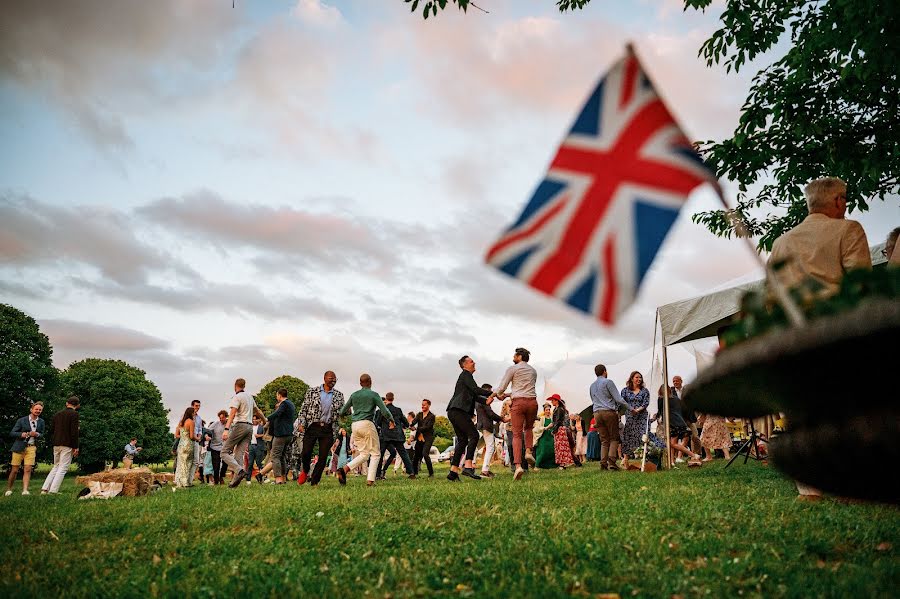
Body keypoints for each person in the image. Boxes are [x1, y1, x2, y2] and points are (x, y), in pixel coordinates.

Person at [769, 176, 872, 296]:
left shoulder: (779, 243)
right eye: (845, 199)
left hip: (794, 314)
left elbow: (772, 292)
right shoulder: (848, 229)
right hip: (837, 311)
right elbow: (861, 281)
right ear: (838, 201)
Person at [337, 373, 395, 487]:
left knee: (364, 454)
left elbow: (342, 411)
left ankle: (344, 469)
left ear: (360, 383)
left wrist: (343, 418)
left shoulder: (354, 395)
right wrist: (391, 420)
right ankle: (370, 481)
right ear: (370, 382)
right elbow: (384, 410)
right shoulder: (373, 395)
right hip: (367, 424)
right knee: (376, 453)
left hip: (355, 425)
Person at [446, 355, 496, 482]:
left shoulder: (466, 377)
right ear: (464, 365)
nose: (474, 363)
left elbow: (475, 396)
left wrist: (487, 401)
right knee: (473, 435)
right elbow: (476, 390)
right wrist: (493, 393)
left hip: (454, 411)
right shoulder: (466, 375)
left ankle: (453, 472)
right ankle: (468, 466)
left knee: (462, 440)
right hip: (458, 411)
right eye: (471, 361)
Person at [494, 347, 537, 482]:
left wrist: (498, 394)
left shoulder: (513, 369)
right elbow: (523, 388)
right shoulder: (533, 371)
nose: (513, 357)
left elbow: (502, 387)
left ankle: (518, 466)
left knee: (517, 434)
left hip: (518, 403)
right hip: (532, 402)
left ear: (519, 356)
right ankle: (529, 452)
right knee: (529, 428)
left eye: (514, 355)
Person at [298, 371, 345, 487]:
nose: (333, 380)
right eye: (331, 378)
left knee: (323, 456)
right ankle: (305, 470)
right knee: (306, 452)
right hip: (313, 426)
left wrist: (347, 411)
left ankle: (315, 481)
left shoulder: (339, 395)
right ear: (324, 378)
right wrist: (301, 423)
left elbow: (343, 411)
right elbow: (304, 408)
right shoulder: (312, 391)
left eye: (335, 379)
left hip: (328, 428)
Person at [221, 378, 265, 488]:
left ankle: (239, 470)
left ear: (235, 386)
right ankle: (234, 482)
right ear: (244, 386)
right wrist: (265, 420)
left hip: (240, 425)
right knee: (239, 455)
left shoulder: (237, 397)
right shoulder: (249, 397)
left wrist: (226, 429)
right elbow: (258, 411)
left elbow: (232, 414)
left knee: (224, 452)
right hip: (249, 427)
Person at [589, 364, 630, 471]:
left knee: (604, 440)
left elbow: (593, 401)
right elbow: (618, 398)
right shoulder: (608, 382)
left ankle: (603, 463)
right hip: (609, 412)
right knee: (614, 438)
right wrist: (630, 408)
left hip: (597, 413)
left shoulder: (592, 386)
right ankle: (612, 462)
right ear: (604, 371)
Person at [653, 384, 702, 466]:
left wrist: (657, 418)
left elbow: (661, 411)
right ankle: (672, 462)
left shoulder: (661, 399)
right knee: (673, 443)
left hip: (672, 423)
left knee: (672, 444)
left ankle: (693, 455)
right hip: (680, 421)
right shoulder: (676, 398)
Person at [40, 395, 80, 495]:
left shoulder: (57, 414)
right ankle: (53, 490)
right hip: (67, 444)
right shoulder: (74, 414)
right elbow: (74, 432)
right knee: (63, 468)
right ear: (78, 405)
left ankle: (45, 489)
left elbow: (52, 430)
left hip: (56, 443)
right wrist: (76, 447)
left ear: (67, 403)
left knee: (56, 466)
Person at [258, 387, 296, 485]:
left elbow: (278, 413)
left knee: (275, 457)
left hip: (281, 434)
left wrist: (267, 418)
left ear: (279, 395)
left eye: (277, 395)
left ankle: (278, 479)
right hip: (288, 434)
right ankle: (283, 478)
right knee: (282, 456)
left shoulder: (284, 404)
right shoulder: (291, 404)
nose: (276, 397)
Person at [5, 402, 45, 497]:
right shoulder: (21, 420)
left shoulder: (41, 422)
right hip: (19, 447)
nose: (38, 411)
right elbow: (12, 433)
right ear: (31, 409)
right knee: (14, 470)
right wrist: (22, 434)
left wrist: (37, 434)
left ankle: (25, 490)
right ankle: (9, 489)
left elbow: (42, 433)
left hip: (31, 447)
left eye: (40, 410)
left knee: (28, 469)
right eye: (36, 409)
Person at [376, 392, 415, 479]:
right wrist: (409, 426)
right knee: (403, 453)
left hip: (385, 435)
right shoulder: (398, 410)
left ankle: (378, 474)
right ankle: (411, 472)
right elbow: (405, 422)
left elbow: (378, 423)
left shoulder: (382, 410)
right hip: (397, 435)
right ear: (393, 399)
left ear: (386, 399)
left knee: (380, 454)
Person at [620, 371, 650, 468]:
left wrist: (637, 410)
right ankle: (625, 459)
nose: (639, 379)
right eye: (637, 377)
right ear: (632, 378)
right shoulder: (625, 391)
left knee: (642, 437)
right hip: (630, 417)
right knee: (628, 437)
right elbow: (622, 402)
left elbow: (645, 403)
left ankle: (644, 459)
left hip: (642, 417)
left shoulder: (645, 391)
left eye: (640, 377)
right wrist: (630, 409)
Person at [474, 384, 504, 478]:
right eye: (489, 390)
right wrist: (501, 419)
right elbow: (490, 413)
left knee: (477, 446)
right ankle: (485, 470)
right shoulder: (484, 400)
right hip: (486, 426)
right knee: (490, 447)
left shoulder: (478, 400)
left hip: (481, 425)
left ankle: (473, 465)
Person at [672, 376, 700, 455]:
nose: (675, 383)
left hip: (688, 418)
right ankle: (675, 456)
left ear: (681, 381)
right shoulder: (671, 391)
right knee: (677, 439)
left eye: (677, 381)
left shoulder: (687, 390)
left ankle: (697, 453)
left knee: (695, 436)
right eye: (673, 381)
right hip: (677, 419)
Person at [174, 406, 198, 488]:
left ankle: (179, 482)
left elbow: (176, 435)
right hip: (188, 444)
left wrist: (183, 436)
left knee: (181, 463)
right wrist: (197, 438)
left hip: (181, 445)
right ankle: (186, 483)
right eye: (194, 413)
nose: (194, 414)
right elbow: (191, 436)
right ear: (191, 413)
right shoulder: (191, 422)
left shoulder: (181, 422)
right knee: (188, 463)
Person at [411, 399, 436, 477]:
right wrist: (410, 425)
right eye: (422, 404)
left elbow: (428, 427)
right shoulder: (419, 414)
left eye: (424, 404)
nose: (422, 406)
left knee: (425, 454)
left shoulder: (432, 416)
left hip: (428, 437)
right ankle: (414, 473)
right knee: (416, 456)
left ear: (428, 405)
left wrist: (416, 429)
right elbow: (414, 422)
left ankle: (431, 473)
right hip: (419, 437)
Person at [549, 395, 575, 469]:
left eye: (553, 400)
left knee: (561, 447)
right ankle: (562, 463)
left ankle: (563, 464)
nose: (551, 402)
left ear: (556, 401)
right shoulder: (556, 409)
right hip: (559, 428)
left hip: (560, 428)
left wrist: (554, 429)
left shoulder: (560, 409)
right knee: (559, 446)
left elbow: (558, 421)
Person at [207, 410, 228, 484]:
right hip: (215, 447)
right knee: (216, 465)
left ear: (226, 417)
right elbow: (207, 431)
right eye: (220, 418)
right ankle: (216, 480)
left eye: (223, 418)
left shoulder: (229, 424)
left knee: (225, 464)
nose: (221, 419)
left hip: (225, 447)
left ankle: (221, 476)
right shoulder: (215, 424)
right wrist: (206, 436)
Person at [245, 415, 266, 484]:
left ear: (259, 420)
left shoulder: (262, 427)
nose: (254, 421)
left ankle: (262, 478)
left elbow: (266, 435)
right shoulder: (249, 427)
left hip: (259, 446)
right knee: (250, 463)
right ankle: (248, 479)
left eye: (255, 419)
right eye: (253, 419)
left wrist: (259, 435)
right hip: (251, 446)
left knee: (259, 463)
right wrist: (247, 446)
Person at [534, 402, 556, 468]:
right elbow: (537, 428)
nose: (548, 411)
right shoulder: (542, 418)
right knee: (542, 451)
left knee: (551, 451)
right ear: (544, 411)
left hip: (551, 436)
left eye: (549, 410)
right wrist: (546, 427)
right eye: (547, 410)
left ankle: (551, 465)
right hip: (543, 436)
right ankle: (537, 465)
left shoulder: (552, 418)